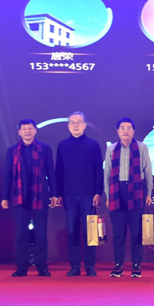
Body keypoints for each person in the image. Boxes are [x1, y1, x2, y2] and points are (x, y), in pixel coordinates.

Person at [1, 119, 57, 277]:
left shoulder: (44, 148)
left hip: (40, 194)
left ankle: (42, 266)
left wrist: (54, 194)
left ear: (35, 130)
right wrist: (5, 197)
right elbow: (8, 175)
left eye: (30, 128)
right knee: (21, 233)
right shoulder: (12, 150)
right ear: (19, 132)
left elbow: (50, 173)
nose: (27, 131)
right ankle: (21, 267)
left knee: (41, 233)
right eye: (24, 129)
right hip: (21, 195)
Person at [56, 111, 103, 277]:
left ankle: (90, 266)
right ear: (68, 126)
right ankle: (75, 266)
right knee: (72, 231)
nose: (75, 125)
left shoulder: (93, 145)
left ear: (85, 125)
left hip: (89, 194)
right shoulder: (62, 145)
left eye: (79, 122)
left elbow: (99, 170)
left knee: (90, 232)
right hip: (68, 195)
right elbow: (58, 171)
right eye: (72, 122)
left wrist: (98, 192)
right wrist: (58, 193)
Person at [104, 118, 153, 278]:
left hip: (136, 191)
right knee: (118, 234)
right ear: (118, 131)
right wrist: (108, 195)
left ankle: (136, 265)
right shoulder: (111, 149)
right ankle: (118, 265)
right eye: (122, 128)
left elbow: (147, 171)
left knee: (136, 232)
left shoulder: (142, 147)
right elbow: (107, 174)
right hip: (116, 191)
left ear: (133, 130)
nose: (125, 130)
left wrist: (148, 193)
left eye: (129, 128)